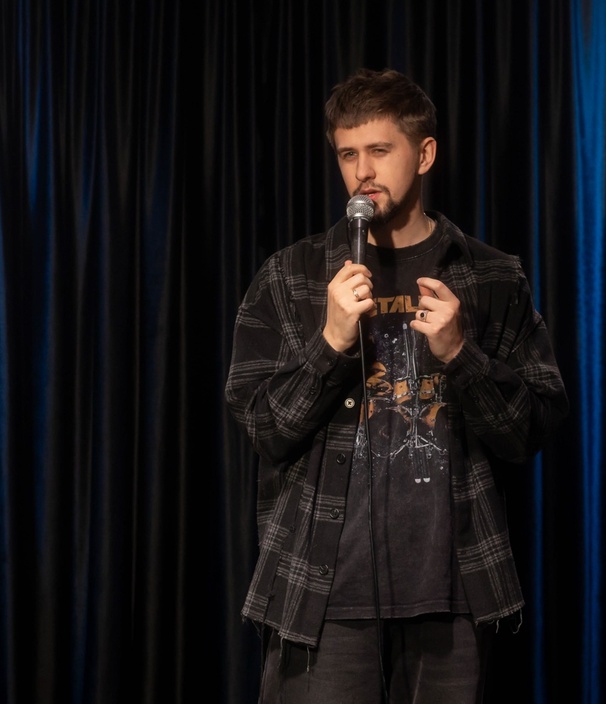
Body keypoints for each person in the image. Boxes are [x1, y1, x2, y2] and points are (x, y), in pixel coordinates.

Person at [225, 68, 568, 703]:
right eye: (347, 154)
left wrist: (462, 354)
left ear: (425, 153)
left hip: (453, 594)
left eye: (380, 150)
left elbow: (533, 430)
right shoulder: (290, 276)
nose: (362, 172)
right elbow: (264, 430)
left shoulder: (491, 277)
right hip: (322, 595)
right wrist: (330, 343)